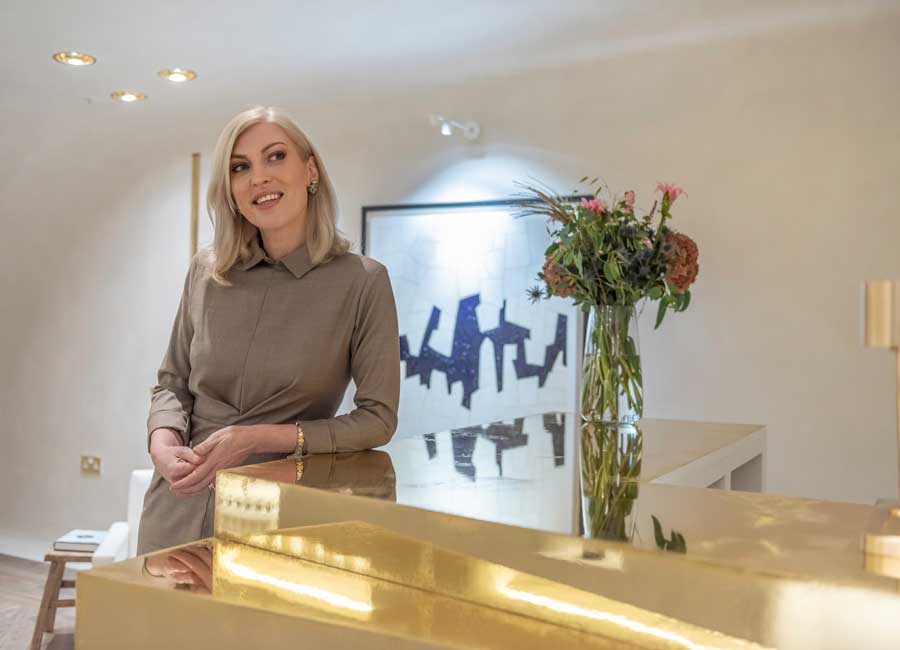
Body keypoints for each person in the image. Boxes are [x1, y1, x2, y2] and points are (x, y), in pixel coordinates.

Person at [137, 106, 401, 554]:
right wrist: (162, 443)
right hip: (177, 504)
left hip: (281, 513)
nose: (258, 177)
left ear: (310, 169)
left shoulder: (363, 281)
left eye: (275, 157)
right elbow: (171, 384)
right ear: (231, 189)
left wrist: (256, 438)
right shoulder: (206, 272)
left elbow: (377, 419)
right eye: (240, 167)